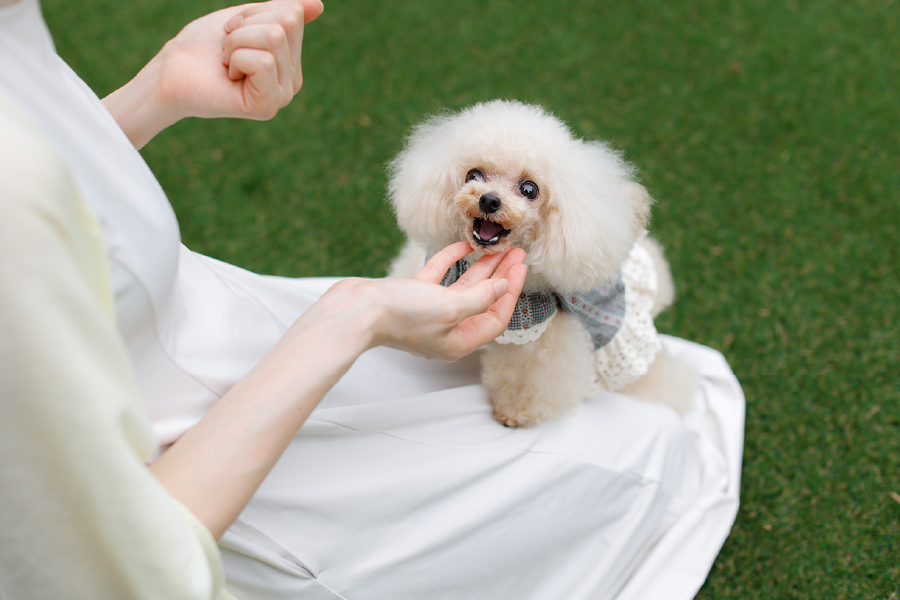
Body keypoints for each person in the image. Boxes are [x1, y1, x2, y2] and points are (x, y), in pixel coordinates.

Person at [0, 1, 745, 598]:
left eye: (524, 189)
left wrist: (154, 92)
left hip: (244, 322)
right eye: (477, 177)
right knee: (654, 451)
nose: (491, 199)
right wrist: (354, 317)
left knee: (642, 423)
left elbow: (67, 187)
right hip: (215, 450)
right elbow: (122, 570)